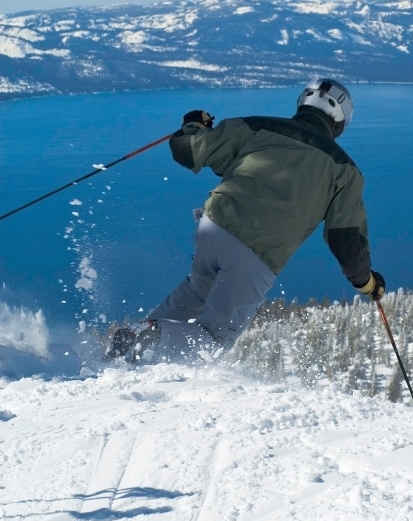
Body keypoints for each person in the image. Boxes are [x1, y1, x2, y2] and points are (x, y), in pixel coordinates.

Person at [105, 78, 385, 364]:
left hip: (213, 229)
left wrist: (194, 126)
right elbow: (346, 242)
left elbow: (187, 149)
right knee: (213, 339)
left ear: (303, 103)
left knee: (199, 290)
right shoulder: (345, 171)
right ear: (339, 121)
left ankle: (129, 350)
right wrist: (367, 283)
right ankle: (147, 337)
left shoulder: (255, 127)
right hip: (256, 251)